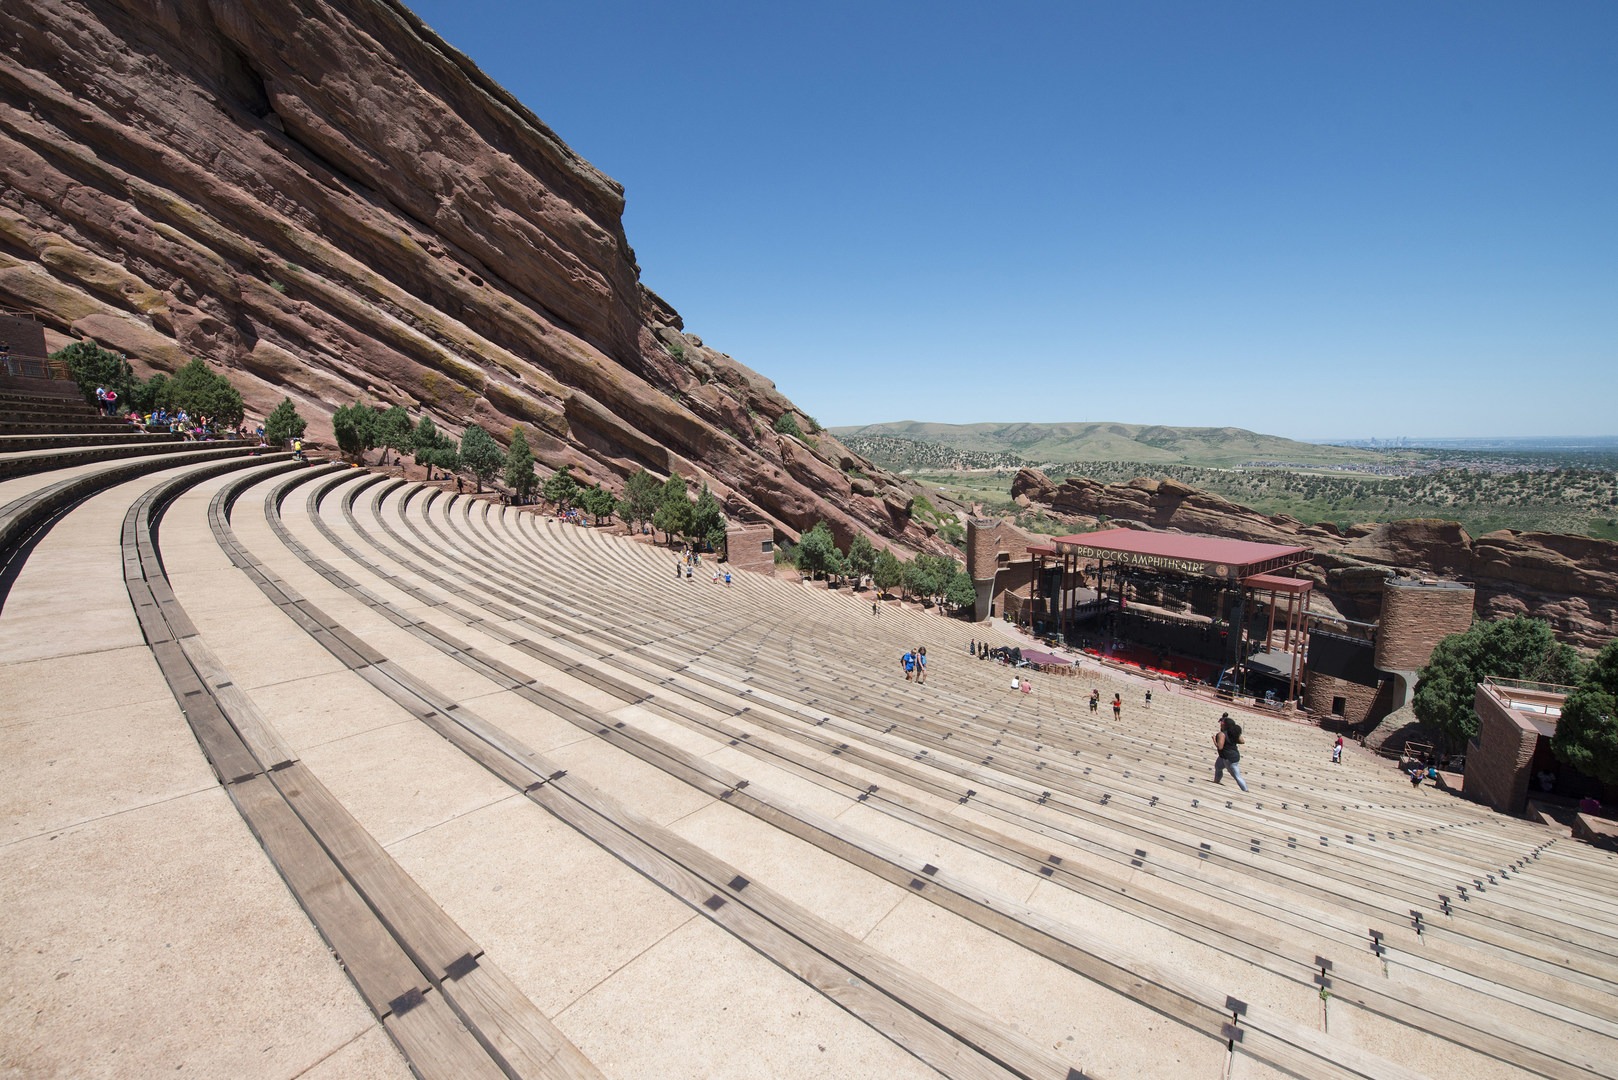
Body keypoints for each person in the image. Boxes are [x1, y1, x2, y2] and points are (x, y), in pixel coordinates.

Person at [1213, 714, 1247, 791]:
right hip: (1226, 756)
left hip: (1229, 758)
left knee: (1236, 776)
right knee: (1218, 767)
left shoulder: (1222, 734)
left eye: (1222, 723)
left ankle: (1246, 791)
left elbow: (1220, 747)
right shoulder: (1232, 733)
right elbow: (1242, 741)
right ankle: (1216, 781)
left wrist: (1214, 740)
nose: (1220, 725)